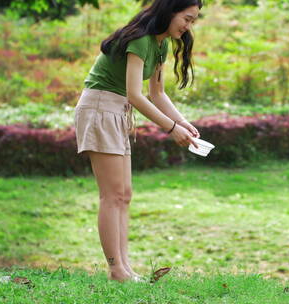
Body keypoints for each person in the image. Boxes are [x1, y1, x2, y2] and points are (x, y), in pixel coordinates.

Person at [74, 0, 203, 282]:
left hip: (117, 111)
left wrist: (183, 123)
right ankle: (115, 269)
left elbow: (157, 93)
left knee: (124, 194)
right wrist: (171, 128)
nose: (188, 26)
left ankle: (124, 268)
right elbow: (135, 94)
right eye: (187, 18)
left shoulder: (161, 45)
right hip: (100, 108)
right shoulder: (141, 40)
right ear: (170, 12)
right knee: (112, 195)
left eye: (193, 21)